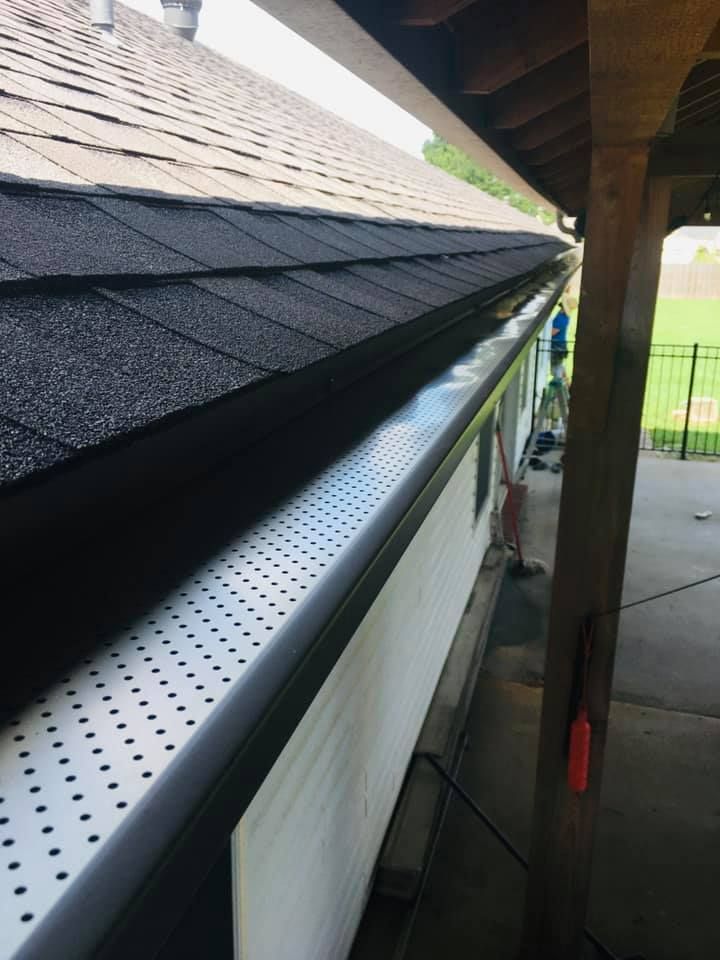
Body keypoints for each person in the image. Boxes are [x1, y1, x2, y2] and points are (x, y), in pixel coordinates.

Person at [550, 302, 570, 381]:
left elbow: (553, 332)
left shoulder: (561, 318)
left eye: (562, 306)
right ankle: (566, 381)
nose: (560, 308)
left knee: (555, 368)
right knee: (558, 365)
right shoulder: (563, 317)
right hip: (560, 344)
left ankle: (560, 385)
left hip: (557, 345)